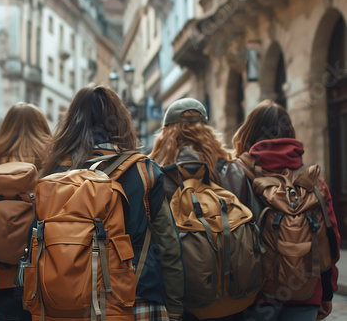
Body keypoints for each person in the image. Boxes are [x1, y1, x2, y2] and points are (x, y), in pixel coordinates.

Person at [41, 84, 184, 321]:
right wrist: (176, 306)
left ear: (72, 122)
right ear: (120, 121)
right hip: (138, 298)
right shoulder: (144, 171)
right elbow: (169, 245)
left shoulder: (55, 172)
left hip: (68, 304)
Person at [149, 97, 262, 321]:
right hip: (234, 294)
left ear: (165, 132)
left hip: (182, 297)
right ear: (207, 129)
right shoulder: (232, 170)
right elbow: (255, 226)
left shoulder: (154, 176)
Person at [232, 99, 341, 321]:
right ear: (290, 133)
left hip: (253, 298)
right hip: (306, 292)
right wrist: (327, 291)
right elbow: (331, 240)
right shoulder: (312, 180)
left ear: (248, 133)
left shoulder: (237, 176)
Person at [0, 102, 51, 321]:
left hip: (5, 283)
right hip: (47, 282)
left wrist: (0, 253)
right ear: (43, 130)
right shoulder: (54, 170)